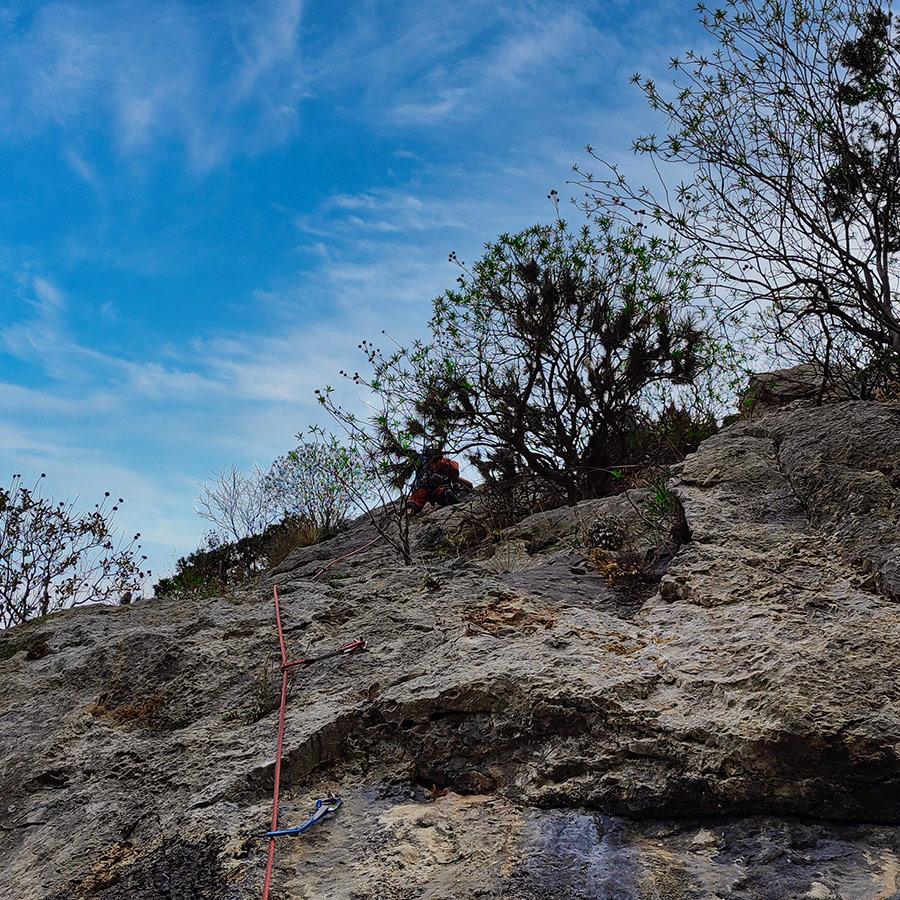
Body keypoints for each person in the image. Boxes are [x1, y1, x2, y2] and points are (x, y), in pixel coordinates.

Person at [405, 447, 474, 516]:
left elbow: (418, 497)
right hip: (442, 491)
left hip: (442, 491)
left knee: (426, 493)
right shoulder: (438, 469)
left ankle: (410, 512)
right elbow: (466, 483)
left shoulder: (433, 471)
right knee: (424, 493)